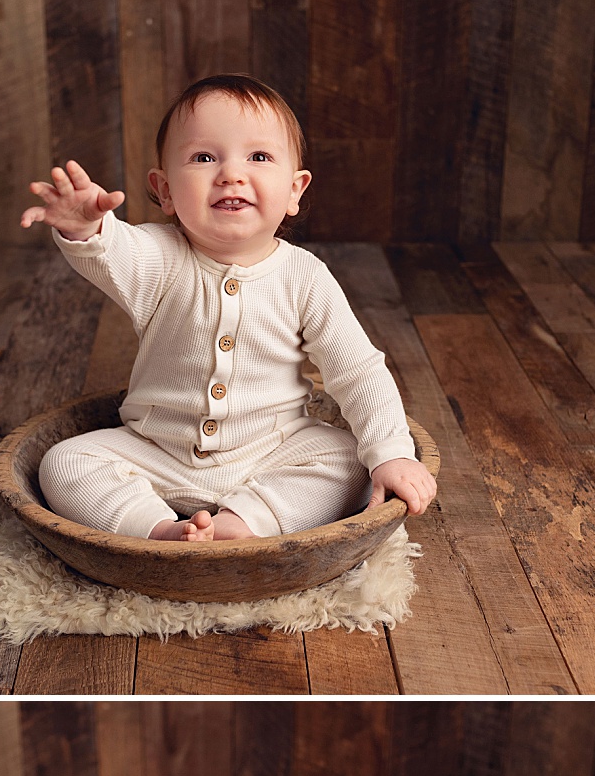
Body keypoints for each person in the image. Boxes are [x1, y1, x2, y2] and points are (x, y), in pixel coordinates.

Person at [24, 73, 437, 543]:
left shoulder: (305, 276)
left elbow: (357, 371)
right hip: (155, 448)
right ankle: (158, 531)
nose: (231, 174)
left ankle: (240, 525)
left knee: (349, 460)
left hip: (271, 451)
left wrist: (391, 451)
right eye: (203, 157)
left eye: (259, 157)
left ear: (295, 191)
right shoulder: (156, 257)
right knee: (64, 463)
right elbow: (113, 250)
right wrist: (86, 228)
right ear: (164, 191)